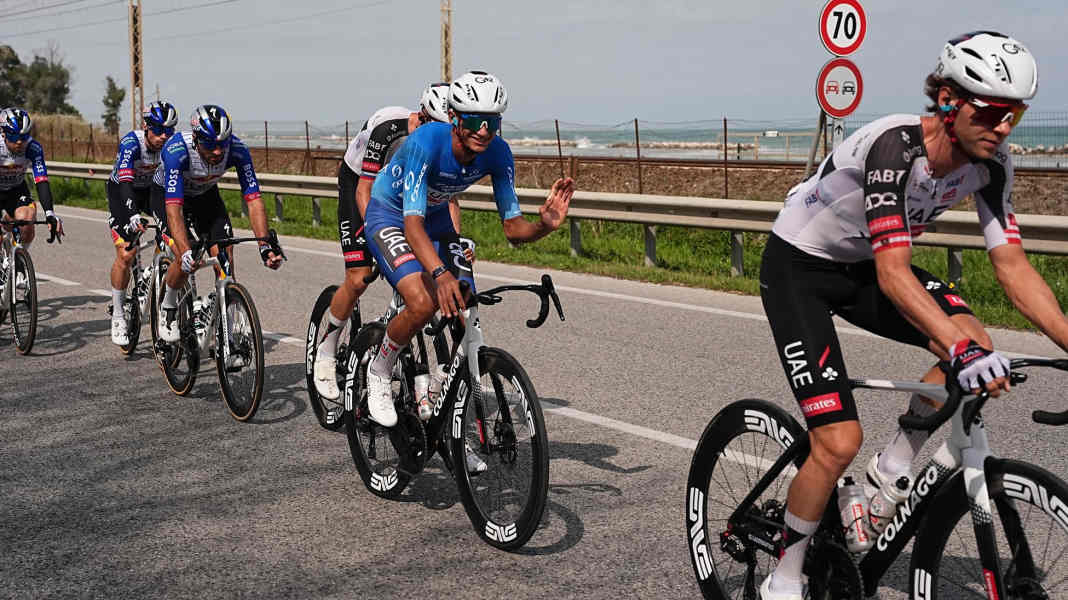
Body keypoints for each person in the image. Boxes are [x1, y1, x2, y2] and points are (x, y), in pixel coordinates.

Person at [758, 32, 1068, 600]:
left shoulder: (992, 164)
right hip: (800, 266)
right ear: (949, 101)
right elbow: (895, 274)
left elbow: (1014, 268)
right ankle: (785, 574)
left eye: (1015, 114)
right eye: (993, 110)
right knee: (836, 441)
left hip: (863, 268)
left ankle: (892, 471)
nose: (1003, 127)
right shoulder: (895, 147)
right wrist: (959, 349)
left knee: (972, 333)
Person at [361, 70, 575, 430]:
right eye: (475, 120)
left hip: (436, 218)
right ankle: (379, 369)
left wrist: (543, 226)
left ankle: (455, 429)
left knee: (467, 309)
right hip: (392, 215)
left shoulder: (499, 153)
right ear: (456, 119)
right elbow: (412, 225)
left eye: (492, 121)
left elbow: (513, 229)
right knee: (425, 301)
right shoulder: (425, 142)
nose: (484, 130)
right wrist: (440, 275)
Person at [312, 82, 458, 402]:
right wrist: (380, 241)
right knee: (360, 275)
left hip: (401, 189)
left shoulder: (445, 143)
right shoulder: (389, 130)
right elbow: (365, 192)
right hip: (360, 185)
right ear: (421, 117)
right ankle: (327, 349)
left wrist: (453, 246)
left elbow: (449, 201)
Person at [152, 104, 283, 353]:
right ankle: (168, 307)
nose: (217, 151)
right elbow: (174, 209)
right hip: (167, 198)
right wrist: (185, 250)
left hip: (205, 196)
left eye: (222, 144)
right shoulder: (177, 151)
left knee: (225, 256)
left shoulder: (238, 150)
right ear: (197, 139)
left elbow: (253, 200)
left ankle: (226, 334)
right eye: (210, 145)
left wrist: (265, 246)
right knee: (183, 256)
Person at [106, 101, 178, 345]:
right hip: (122, 192)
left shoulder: (172, 146)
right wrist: (133, 213)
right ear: (146, 126)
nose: (164, 136)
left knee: (174, 237)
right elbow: (125, 182)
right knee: (126, 255)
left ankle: (154, 272)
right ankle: (118, 314)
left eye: (169, 130)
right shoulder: (131, 143)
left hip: (151, 192)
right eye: (158, 130)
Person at [0, 107, 63, 247]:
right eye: (14, 137)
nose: (19, 142)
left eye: (24, 136)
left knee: (27, 222)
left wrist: (50, 214)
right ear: (3, 134)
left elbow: (42, 181)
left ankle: (19, 261)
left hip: (16, 189)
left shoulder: (33, 148)